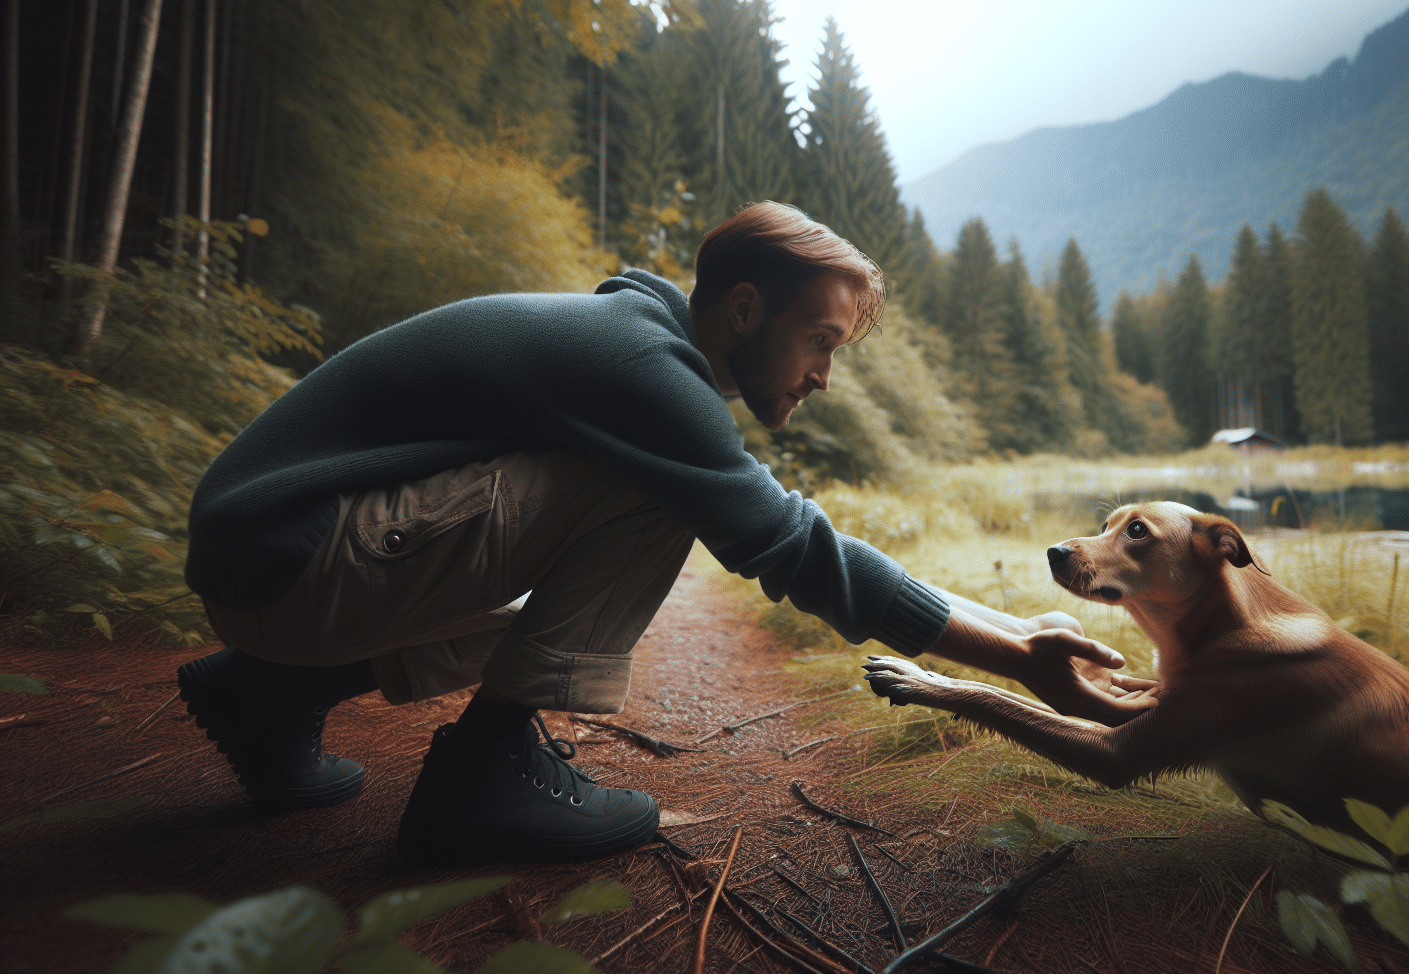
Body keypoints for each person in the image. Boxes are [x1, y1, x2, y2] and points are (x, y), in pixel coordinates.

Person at [176, 201, 1158, 864]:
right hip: (294, 559)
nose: (825, 374)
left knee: (599, 538)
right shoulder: (643, 370)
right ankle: (484, 770)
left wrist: (1021, 643)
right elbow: (798, 552)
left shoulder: (625, 346)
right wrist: (1019, 651)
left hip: (273, 562)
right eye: (820, 341)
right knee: (655, 493)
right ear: (744, 308)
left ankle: (274, 686)